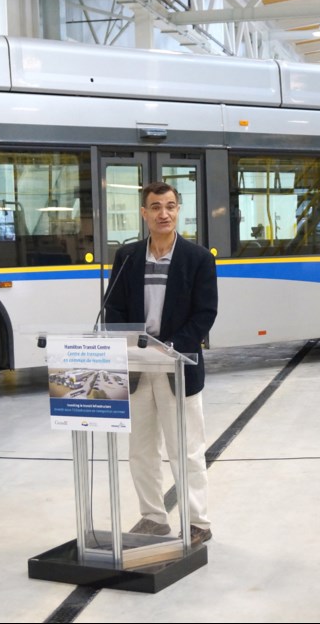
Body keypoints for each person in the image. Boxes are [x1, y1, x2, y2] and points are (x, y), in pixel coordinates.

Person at [104, 181, 218, 545]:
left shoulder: (198, 258)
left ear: (178, 210)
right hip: (136, 368)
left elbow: (204, 314)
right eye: (155, 207)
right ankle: (153, 518)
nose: (163, 213)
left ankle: (198, 522)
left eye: (170, 206)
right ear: (144, 213)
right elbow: (114, 308)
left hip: (177, 367)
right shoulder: (128, 258)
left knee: (185, 450)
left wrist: (169, 347)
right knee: (140, 450)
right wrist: (130, 343)